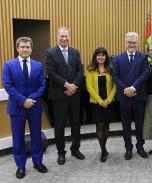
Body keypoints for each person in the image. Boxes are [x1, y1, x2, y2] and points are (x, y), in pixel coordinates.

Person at [2, 37, 47, 179]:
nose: (25, 49)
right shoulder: (9, 65)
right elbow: (8, 85)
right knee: (18, 138)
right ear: (17, 48)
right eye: (22, 47)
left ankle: (37, 162)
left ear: (31, 49)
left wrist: (30, 99)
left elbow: (42, 85)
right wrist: (23, 100)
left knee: (36, 136)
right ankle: (20, 166)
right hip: (17, 107)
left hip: (34, 106)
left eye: (28, 47)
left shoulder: (38, 65)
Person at [45, 27, 85, 165]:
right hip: (59, 95)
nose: (64, 39)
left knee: (76, 124)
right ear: (57, 37)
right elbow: (51, 73)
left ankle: (75, 149)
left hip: (74, 95)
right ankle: (61, 153)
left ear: (69, 37)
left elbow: (80, 70)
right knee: (60, 126)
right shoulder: (50, 53)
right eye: (62, 36)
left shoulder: (75, 52)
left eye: (66, 36)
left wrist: (73, 86)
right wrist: (67, 85)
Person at [112, 32, 150, 160]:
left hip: (139, 97)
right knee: (126, 125)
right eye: (129, 42)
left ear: (138, 43)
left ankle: (140, 146)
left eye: (134, 42)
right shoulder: (117, 58)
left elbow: (145, 74)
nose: (131, 44)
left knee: (140, 125)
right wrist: (125, 89)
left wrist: (133, 88)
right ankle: (128, 148)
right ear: (125, 42)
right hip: (124, 98)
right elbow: (115, 77)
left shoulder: (144, 57)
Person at [86, 47, 117, 162]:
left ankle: (104, 148)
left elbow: (115, 86)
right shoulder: (90, 70)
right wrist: (100, 101)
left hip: (109, 103)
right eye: (98, 55)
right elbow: (89, 88)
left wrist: (108, 100)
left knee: (107, 126)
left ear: (106, 57)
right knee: (99, 126)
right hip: (96, 103)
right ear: (95, 57)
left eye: (103, 55)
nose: (100, 57)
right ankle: (103, 150)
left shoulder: (111, 69)